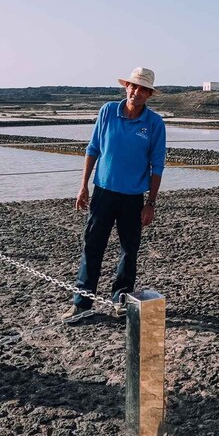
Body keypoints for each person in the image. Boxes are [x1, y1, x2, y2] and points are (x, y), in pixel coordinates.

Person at [62, 67, 166, 322]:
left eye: (143, 89)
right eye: (133, 86)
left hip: (133, 198)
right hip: (103, 193)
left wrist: (150, 203)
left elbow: (157, 165)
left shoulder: (154, 123)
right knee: (92, 245)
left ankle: (121, 298)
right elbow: (93, 148)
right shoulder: (108, 111)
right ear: (126, 87)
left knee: (129, 250)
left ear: (149, 94)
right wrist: (84, 185)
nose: (136, 92)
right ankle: (82, 302)